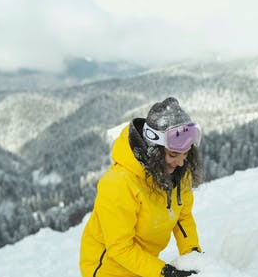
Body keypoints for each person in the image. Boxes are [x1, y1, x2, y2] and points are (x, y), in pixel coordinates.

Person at [80, 97, 203, 277]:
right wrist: (163, 272)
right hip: (108, 268)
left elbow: (182, 217)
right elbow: (120, 248)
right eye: (174, 154)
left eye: (186, 153)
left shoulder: (176, 171)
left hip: (142, 264)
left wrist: (192, 252)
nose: (181, 162)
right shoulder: (119, 184)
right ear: (154, 150)